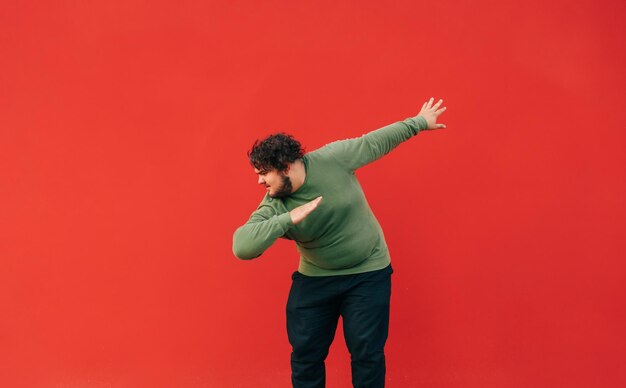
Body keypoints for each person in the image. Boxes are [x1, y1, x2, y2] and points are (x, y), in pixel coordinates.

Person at [232, 98, 447, 388]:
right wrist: (288, 219)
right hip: (316, 279)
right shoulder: (274, 204)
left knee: (367, 352)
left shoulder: (332, 158)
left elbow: (374, 143)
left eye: (263, 173)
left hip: (368, 271)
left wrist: (418, 122)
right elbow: (241, 247)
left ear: (284, 165)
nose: (259, 182)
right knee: (306, 354)